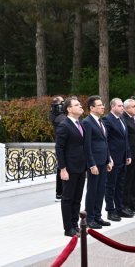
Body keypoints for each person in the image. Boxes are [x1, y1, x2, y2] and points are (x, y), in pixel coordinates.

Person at [55, 96, 86, 237]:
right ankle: (68, 228)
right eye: (77, 105)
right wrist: (63, 169)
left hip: (81, 167)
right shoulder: (64, 125)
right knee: (68, 198)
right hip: (69, 168)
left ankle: (75, 224)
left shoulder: (80, 124)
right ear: (69, 109)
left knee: (77, 198)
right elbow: (59, 148)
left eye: (80, 104)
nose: (80, 106)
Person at [82, 95, 113, 229]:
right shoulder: (87, 122)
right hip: (94, 163)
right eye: (99, 105)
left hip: (103, 161)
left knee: (101, 190)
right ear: (92, 108)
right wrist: (91, 164)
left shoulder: (101, 121)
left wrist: (108, 159)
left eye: (102, 105)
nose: (102, 107)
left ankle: (98, 216)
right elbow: (87, 145)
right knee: (93, 190)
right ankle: (89, 218)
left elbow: (105, 142)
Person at [103, 98, 133, 221]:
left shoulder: (121, 119)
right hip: (113, 159)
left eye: (122, 106)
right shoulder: (107, 120)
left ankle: (120, 208)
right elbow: (106, 141)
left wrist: (128, 154)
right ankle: (110, 211)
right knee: (111, 185)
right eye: (120, 106)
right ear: (113, 107)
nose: (122, 108)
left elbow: (125, 139)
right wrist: (108, 158)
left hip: (123, 158)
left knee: (120, 184)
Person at [49, 95, 67, 202]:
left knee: (60, 168)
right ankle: (60, 193)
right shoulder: (59, 117)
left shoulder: (56, 114)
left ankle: (60, 193)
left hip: (61, 144)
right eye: (63, 102)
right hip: (62, 145)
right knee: (61, 168)